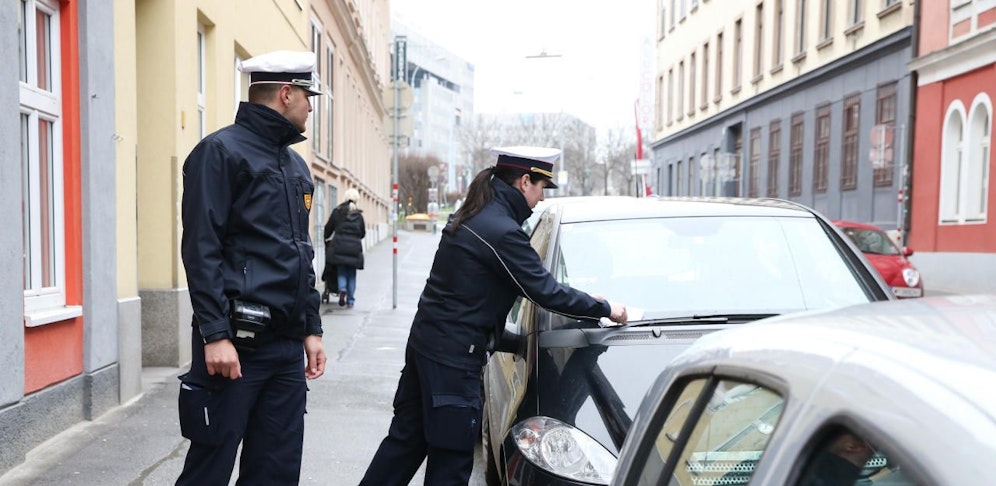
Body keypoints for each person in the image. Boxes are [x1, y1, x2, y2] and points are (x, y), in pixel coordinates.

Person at [359, 146, 628, 485]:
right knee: (450, 461)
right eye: (541, 187)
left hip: (428, 347)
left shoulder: (475, 214)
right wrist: (604, 307)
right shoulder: (501, 230)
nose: (541, 198)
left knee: (404, 445)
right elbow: (544, 291)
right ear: (524, 181)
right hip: (454, 362)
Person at [176, 50, 327, 485]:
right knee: (210, 467)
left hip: (284, 349)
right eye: (307, 96)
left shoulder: (295, 167)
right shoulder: (219, 153)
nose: (310, 106)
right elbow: (201, 250)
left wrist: (311, 328)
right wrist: (215, 335)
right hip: (235, 348)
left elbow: (302, 253)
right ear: (286, 94)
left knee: (276, 471)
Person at [324, 188, 366, 308]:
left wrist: (326, 238)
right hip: (354, 248)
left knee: (341, 270)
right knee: (352, 274)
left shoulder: (337, 212)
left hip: (339, 246)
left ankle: (342, 289)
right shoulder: (359, 215)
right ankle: (351, 301)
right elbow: (362, 233)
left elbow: (329, 228)